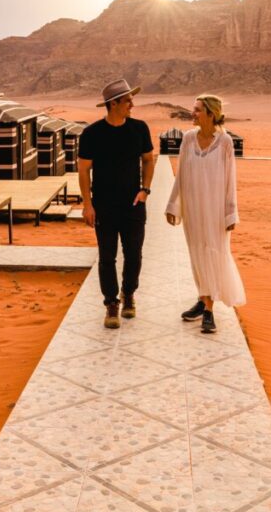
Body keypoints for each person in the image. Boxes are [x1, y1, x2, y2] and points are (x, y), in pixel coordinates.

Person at [78, 78, 155, 329]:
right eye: (127, 100)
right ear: (113, 104)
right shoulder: (91, 134)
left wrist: (145, 190)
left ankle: (129, 293)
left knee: (134, 254)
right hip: (104, 206)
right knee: (107, 256)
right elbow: (83, 171)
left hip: (133, 205)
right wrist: (88, 205)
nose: (132, 104)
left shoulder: (139, 128)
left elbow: (148, 160)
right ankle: (111, 302)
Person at [165, 94, 245, 333]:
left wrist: (230, 214)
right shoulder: (188, 139)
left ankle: (209, 310)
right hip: (193, 208)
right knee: (197, 254)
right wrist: (173, 205)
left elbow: (230, 180)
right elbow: (181, 175)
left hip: (215, 209)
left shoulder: (225, 142)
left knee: (213, 252)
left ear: (211, 114)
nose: (193, 113)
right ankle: (203, 299)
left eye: (197, 110)